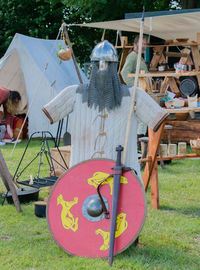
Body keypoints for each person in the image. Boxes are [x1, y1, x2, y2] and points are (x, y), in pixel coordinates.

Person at [42, 40, 168, 182]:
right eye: (99, 64)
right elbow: (51, 111)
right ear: (94, 66)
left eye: (107, 65)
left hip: (121, 175)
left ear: (114, 67)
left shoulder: (133, 95)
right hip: (83, 173)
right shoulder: (74, 94)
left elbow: (157, 117)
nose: (103, 69)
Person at [121, 35, 149, 149]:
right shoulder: (132, 57)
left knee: (141, 119)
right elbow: (124, 73)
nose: (144, 46)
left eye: (145, 44)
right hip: (136, 93)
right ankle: (138, 146)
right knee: (141, 118)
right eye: (142, 44)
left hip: (141, 93)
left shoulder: (139, 57)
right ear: (135, 45)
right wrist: (135, 87)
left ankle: (138, 146)